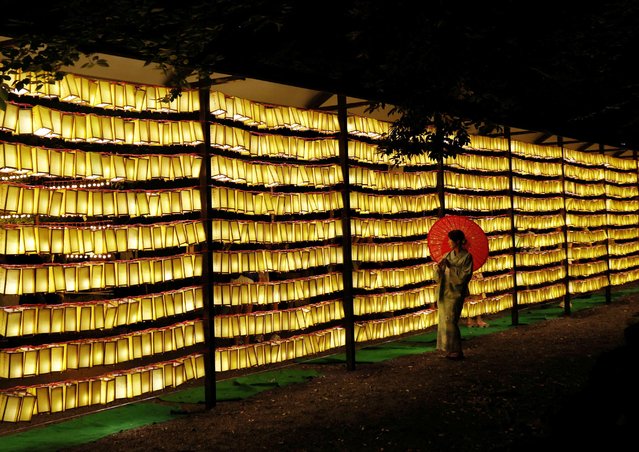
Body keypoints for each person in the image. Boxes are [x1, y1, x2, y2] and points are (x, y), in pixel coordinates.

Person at [436, 229, 474, 360]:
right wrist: (439, 268)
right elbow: (438, 275)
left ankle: (457, 350)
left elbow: (465, 276)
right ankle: (449, 348)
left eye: (450, 240)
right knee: (444, 321)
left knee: (451, 320)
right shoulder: (447, 255)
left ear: (457, 241)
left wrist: (451, 268)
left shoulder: (467, 257)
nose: (448, 242)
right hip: (444, 290)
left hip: (456, 292)